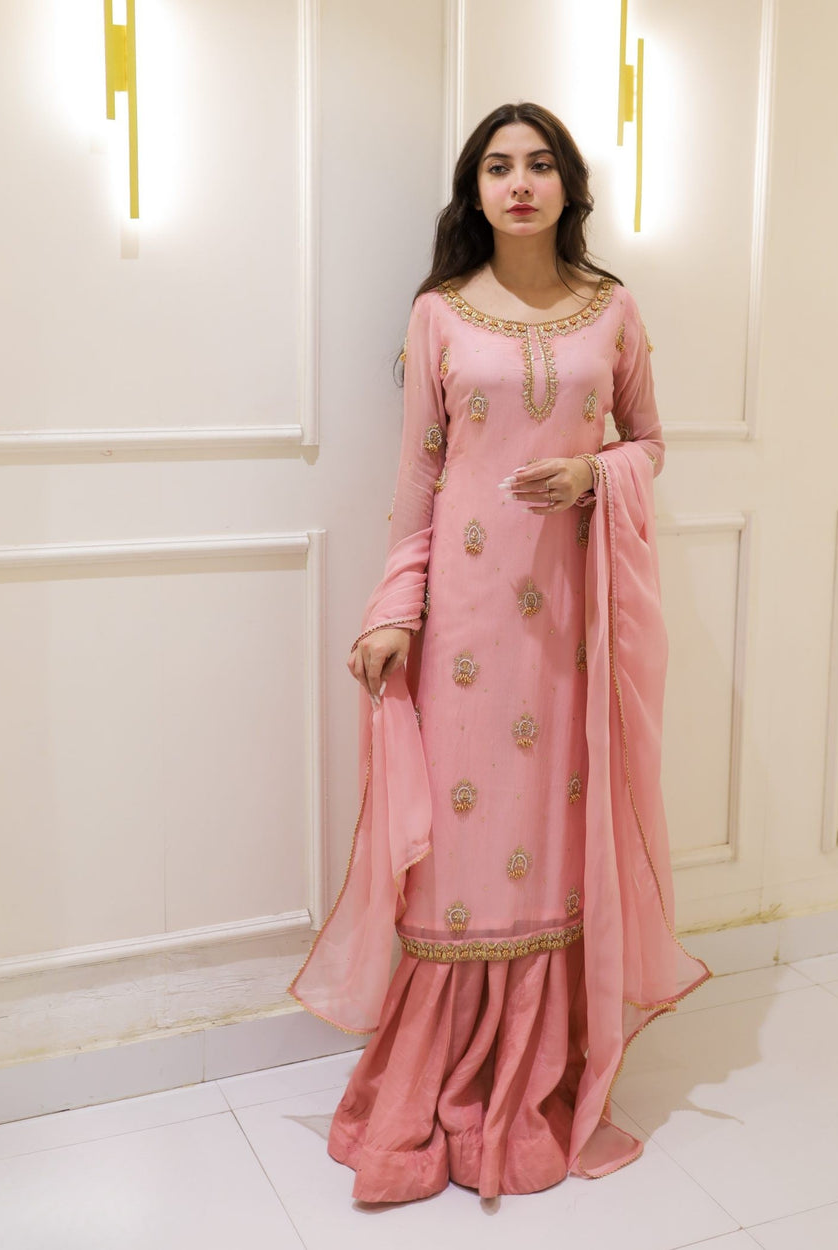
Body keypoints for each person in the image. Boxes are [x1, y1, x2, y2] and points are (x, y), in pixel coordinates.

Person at [287, 101, 712, 1203]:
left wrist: (597, 472)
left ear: (569, 185)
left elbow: (651, 443)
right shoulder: (438, 314)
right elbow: (416, 480)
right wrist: (395, 609)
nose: (517, 182)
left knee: (554, 827)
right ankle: (451, 1072)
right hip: (468, 622)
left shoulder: (612, 310)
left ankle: (545, 1065)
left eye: (537, 164)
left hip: (571, 618)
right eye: (495, 166)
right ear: (473, 191)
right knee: (466, 842)